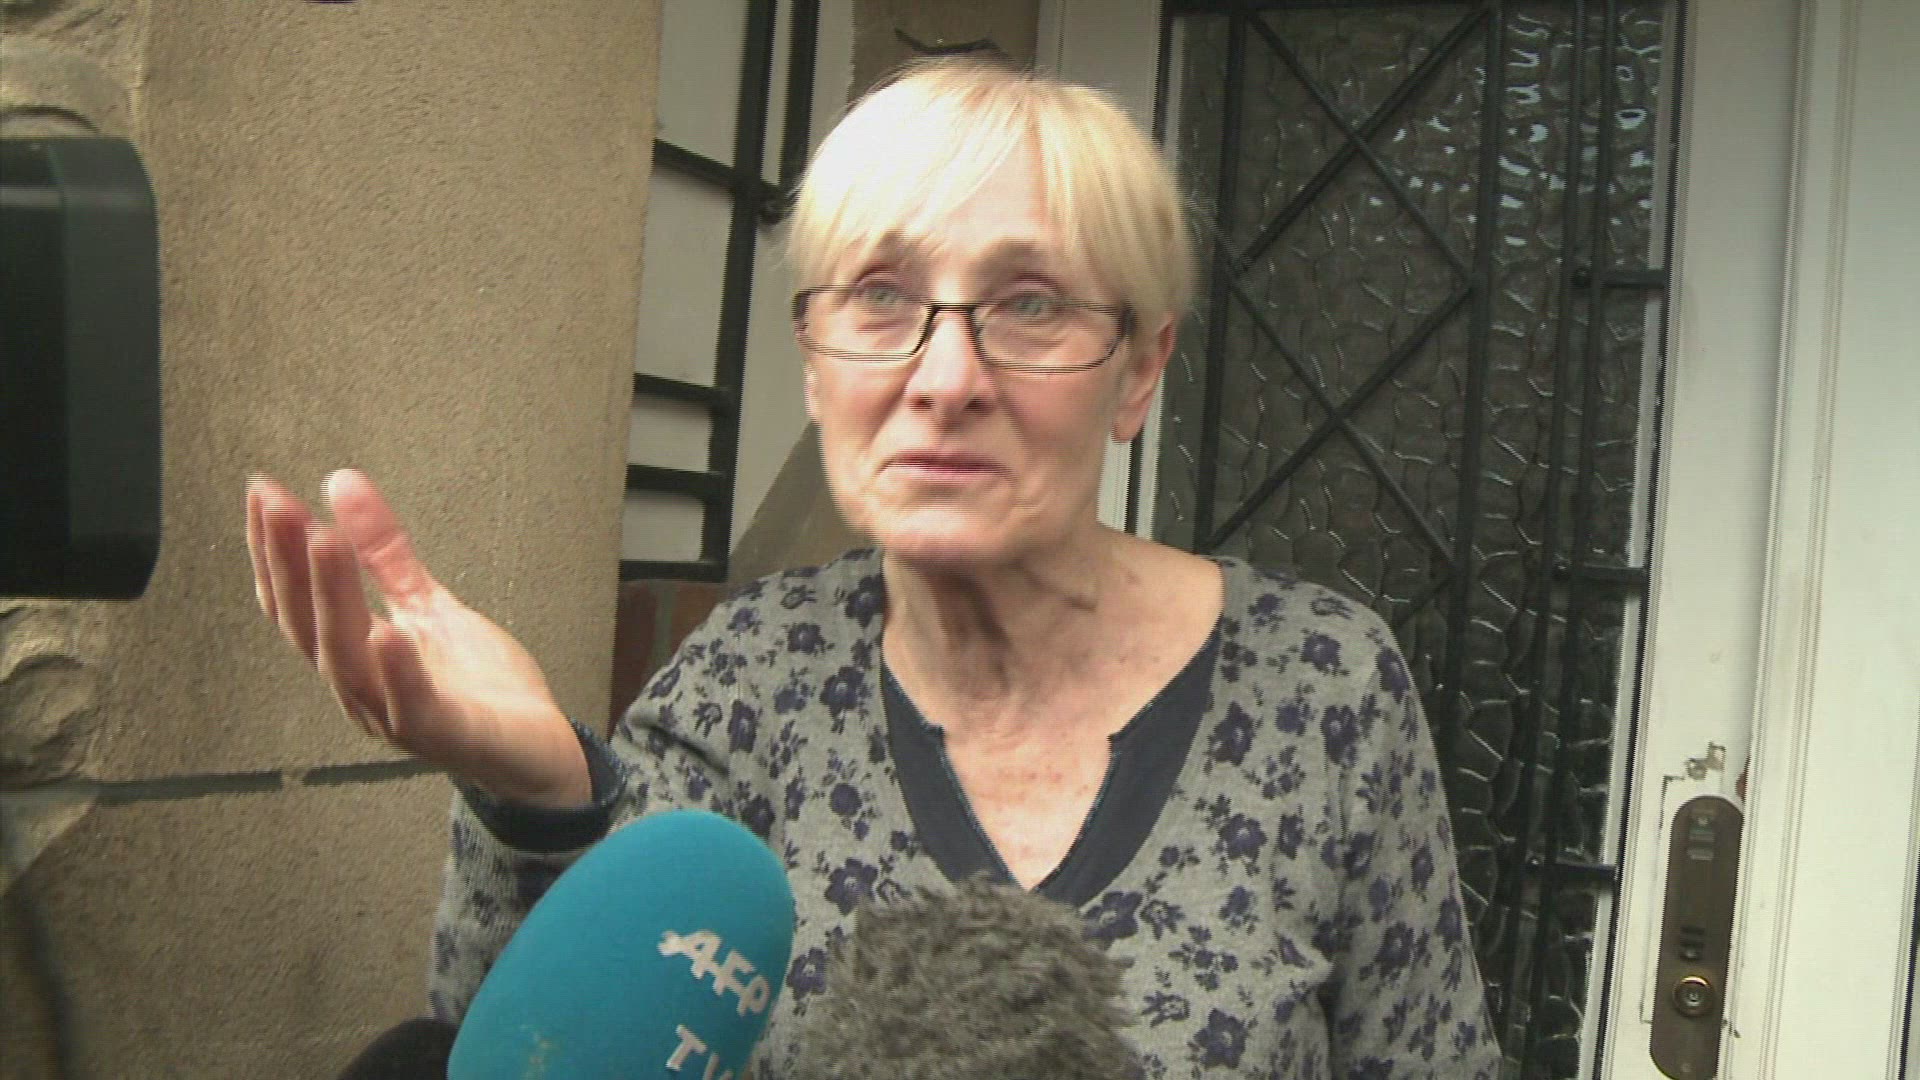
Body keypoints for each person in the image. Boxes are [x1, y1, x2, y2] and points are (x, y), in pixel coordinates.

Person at [246, 59, 1499, 1078]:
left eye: (1030, 304)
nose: (944, 379)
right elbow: (537, 1046)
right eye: (882, 298)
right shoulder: (750, 678)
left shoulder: (1323, 687)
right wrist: (535, 796)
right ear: (814, 365)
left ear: (1139, 371)